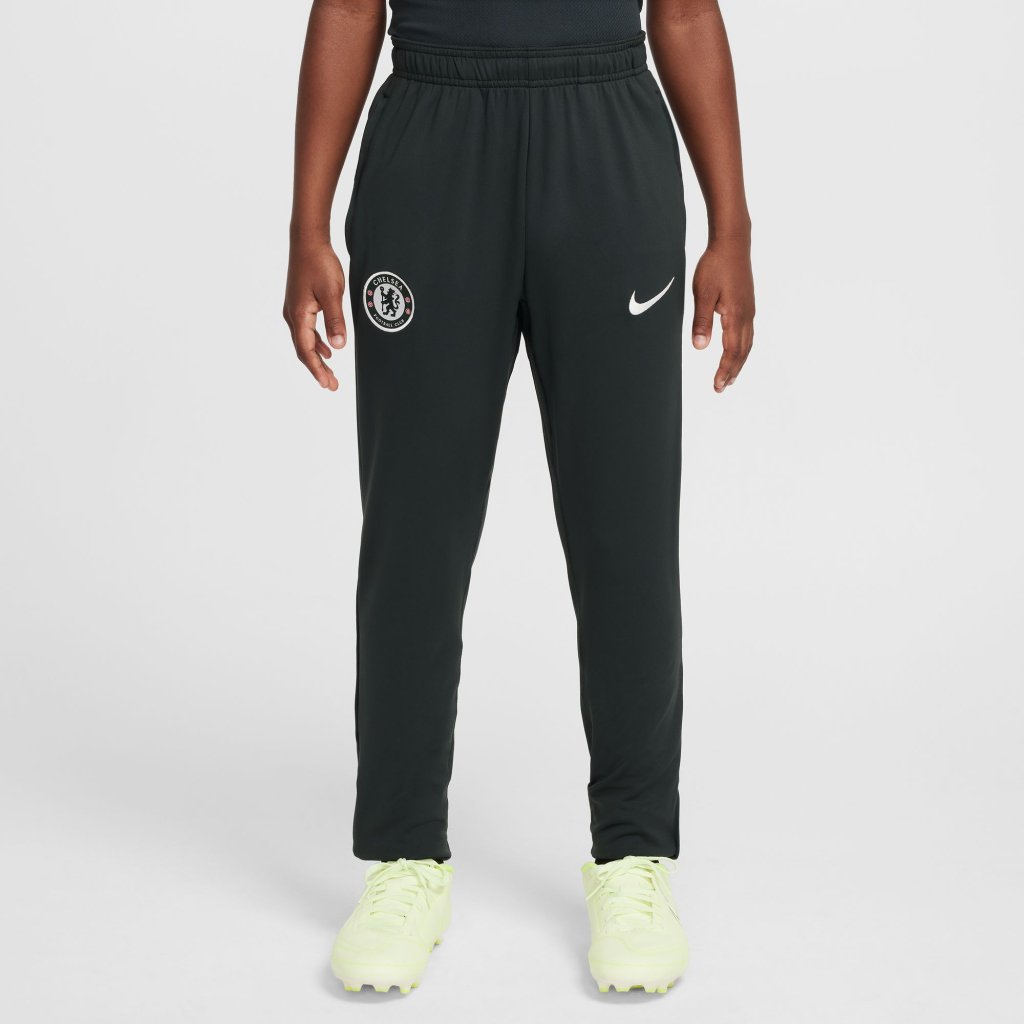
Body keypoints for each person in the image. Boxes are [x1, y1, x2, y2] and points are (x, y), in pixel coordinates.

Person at [282, 0, 754, 996]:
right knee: (414, 533)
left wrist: (733, 225)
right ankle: (404, 854)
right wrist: (306, 223)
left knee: (625, 531)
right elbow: (350, 4)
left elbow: (682, 11)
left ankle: (633, 853)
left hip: (606, 136)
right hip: (431, 141)